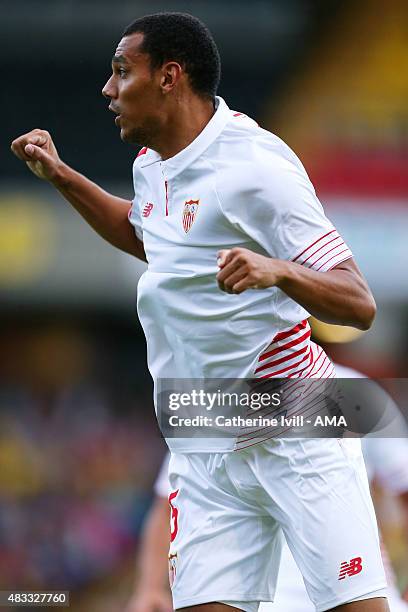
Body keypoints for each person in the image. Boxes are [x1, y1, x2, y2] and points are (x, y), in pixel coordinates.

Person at [11, 11, 387, 612]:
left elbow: (358, 302)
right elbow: (148, 239)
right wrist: (60, 177)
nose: (107, 90)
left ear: (169, 77)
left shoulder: (256, 168)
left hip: (291, 422)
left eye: (120, 72)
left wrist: (280, 269)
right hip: (204, 439)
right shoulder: (154, 163)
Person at [126, 364, 408, 612]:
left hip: (348, 590)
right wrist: (149, 588)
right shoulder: (207, 401)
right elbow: (170, 503)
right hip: (273, 597)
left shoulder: (350, 389)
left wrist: (149, 588)